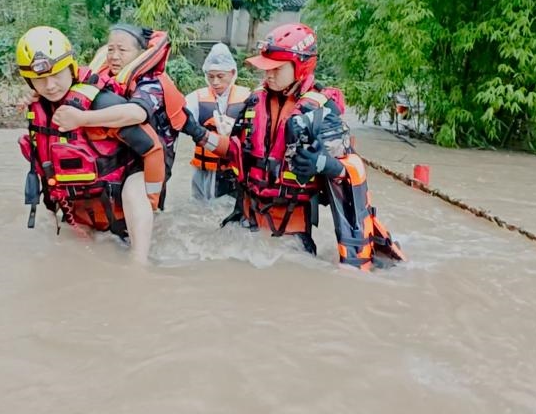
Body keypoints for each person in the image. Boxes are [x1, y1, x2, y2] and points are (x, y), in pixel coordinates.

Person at [199, 23, 405, 270]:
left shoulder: (322, 110)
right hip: (246, 221)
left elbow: (350, 173)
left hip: (290, 234)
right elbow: (237, 154)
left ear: (301, 66)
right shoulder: (255, 100)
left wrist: (324, 164)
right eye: (266, 68)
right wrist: (198, 133)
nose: (269, 75)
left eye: (276, 68)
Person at [15, 26, 166, 264]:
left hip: (123, 189)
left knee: (134, 189)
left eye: (56, 75)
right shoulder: (39, 108)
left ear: (71, 66)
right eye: (39, 80)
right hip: (82, 201)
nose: (50, 85)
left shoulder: (101, 101)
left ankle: (139, 262)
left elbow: (149, 141)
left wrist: (83, 119)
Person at [86, 23, 209, 209]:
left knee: (145, 210)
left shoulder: (152, 84)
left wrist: (80, 118)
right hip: (120, 155)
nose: (114, 56)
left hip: (151, 159)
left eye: (122, 50)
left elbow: (136, 113)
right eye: (110, 49)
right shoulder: (100, 77)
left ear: (140, 53)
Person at [184, 43, 251, 202]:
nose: (215, 82)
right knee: (201, 210)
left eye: (220, 76)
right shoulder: (196, 97)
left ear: (232, 73)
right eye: (210, 76)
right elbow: (179, 118)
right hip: (204, 169)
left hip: (234, 169)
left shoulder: (248, 97)